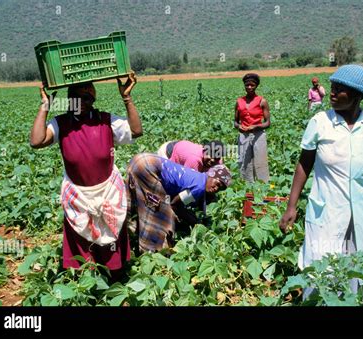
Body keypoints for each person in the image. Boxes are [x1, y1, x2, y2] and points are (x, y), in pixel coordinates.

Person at [279, 65, 363, 296]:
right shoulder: (320, 122)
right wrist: (291, 206)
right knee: (321, 264)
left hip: (360, 208)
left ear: (358, 96)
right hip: (326, 207)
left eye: (340, 89)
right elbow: (304, 164)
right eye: (332, 87)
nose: (332, 93)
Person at [29, 73, 143, 279]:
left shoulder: (105, 121)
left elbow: (136, 131)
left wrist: (127, 98)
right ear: (69, 99)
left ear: (93, 100)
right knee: (82, 246)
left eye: (87, 97)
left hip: (107, 192)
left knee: (111, 240)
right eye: (76, 97)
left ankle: (115, 280)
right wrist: (45, 105)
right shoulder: (61, 123)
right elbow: (37, 141)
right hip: (78, 196)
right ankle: (86, 283)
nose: (81, 102)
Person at [126, 153, 231, 253]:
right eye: (217, 183)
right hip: (148, 166)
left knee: (140, 201)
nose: (216, 188)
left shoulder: (198, 177)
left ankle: (130, 234)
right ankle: (153, 251)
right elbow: (175, 205)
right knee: (161, 214)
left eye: (220, 188)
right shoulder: (199, 187)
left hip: (140, 160)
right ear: (211, 175)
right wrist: (194, 221)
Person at [234, 73, 270, 183]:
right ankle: (247, 188)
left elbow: (268, 123)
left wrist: (256, 126)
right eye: (247, 85)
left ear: (256, 86)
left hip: (258, 135)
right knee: (244, 163)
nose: (249, 87)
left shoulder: (262, 101)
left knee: (260, 162)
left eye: (252, 85)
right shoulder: (239, 102)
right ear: (244, 85)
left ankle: (263, 188)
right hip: (243, 135)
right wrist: (239, 127)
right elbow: (235, 122)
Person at [156, 140, 225, 172]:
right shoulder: (194, 160)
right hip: (167, 151)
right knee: (168, 174)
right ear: (205, 150)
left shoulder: (218, 161)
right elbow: (186, 180)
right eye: (211, 155)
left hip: (182, 146)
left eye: (216, 158)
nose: (213, 160)